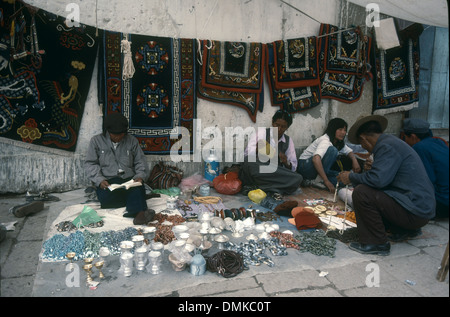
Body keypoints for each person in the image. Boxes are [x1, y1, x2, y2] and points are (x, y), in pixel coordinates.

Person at [337, 115, 435, 256]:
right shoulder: (390, 142)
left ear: (364, 138)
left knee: (361, 192)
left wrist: (350, 176)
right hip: (420, 210)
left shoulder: (386, 146)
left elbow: (378, 181)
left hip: (416, 211)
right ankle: (404, 229)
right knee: (370, 190)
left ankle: (376, 243)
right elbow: (386, 178)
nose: (364, 148)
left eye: (362, 144)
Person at [84, 112, 153, 225]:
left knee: (137, 188)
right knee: (106, 199)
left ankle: (139, 214)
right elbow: (90, 163)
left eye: (121, 134)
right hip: (108, 181)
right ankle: (136, 202)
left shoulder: (132, 141)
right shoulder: (96, 141)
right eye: (114, 134)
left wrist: (139, 176)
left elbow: (140, 162)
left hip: (129, 179)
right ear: (107, 131)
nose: (118, 137)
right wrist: (100, 180)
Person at [239, 110, 303, 195]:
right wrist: (257, 150)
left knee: (298, 178)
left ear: (287, 127)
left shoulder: (288, 141)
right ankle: (274, 189)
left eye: (283, 127)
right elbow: (247, 156)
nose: (279, 129)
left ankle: (260, 187)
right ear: (273, 123)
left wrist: (286, 163)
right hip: (259, 169)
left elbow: (293, 166)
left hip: (274, 172)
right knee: (248, 162)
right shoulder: (262, 133)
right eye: (277, 125)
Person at [297, 118, 361, 192]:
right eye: (340, 129)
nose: (343, 133)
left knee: (341, 180)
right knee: (333, 150)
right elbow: (315, 159)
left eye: (344, 130)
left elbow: (348, 151)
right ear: (333, 129)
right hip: (305, 166)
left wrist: (354, 160)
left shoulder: (338, 142)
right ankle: (319, 180)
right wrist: (326, 180)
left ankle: (311, 181)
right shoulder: (325, 140)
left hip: (317, 170)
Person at [402, 118, 449, 218]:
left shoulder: (419, 148)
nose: (405, 142)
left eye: (405, 138)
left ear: (413, 137)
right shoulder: (438, 141)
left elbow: (427, 181)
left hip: (443, 204)